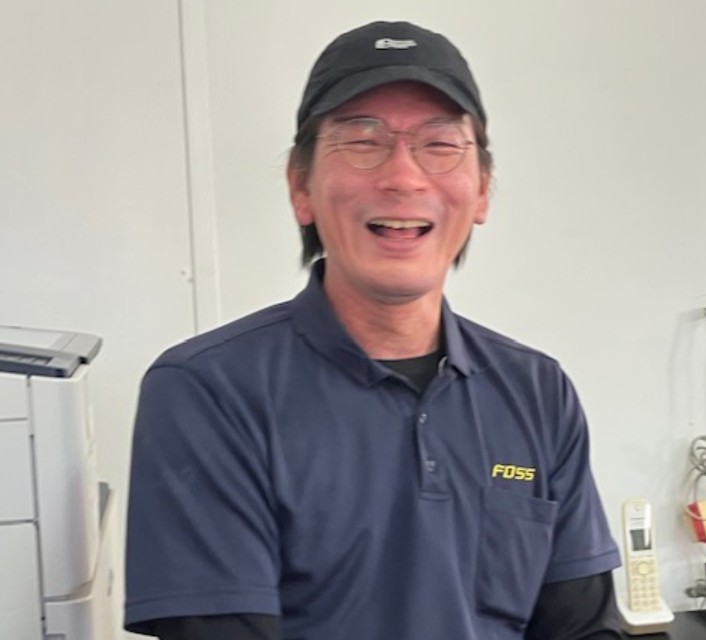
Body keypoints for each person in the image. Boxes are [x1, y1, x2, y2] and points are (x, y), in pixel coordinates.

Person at [124, 20, 623, 640]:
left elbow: (582, 628)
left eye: (440, 144)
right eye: (363, 141)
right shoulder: (209, 392)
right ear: (301, 187)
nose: (404, 177)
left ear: (482, 191)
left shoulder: (537, 391)